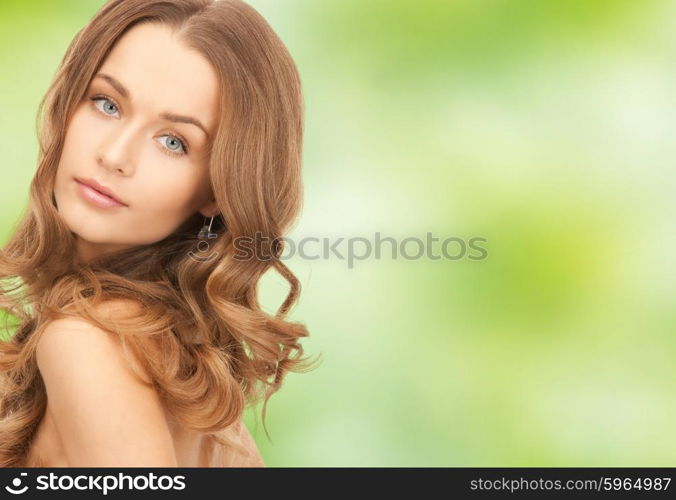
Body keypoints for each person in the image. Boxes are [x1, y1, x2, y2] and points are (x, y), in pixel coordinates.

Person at [0, 0, 319, 467]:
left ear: (218, 189)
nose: (114, 155)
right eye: (107, 104)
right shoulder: (174, 355)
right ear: (68, 104)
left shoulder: (86, 341)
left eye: (174, 142)